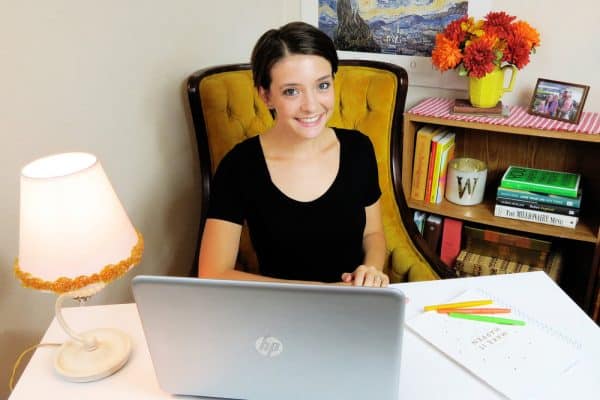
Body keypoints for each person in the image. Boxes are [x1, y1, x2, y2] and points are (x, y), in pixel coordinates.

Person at [197, 21, 389, 287]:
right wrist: (325, 291)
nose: (311, 106)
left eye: (322, 85)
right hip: (278, 309)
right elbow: (213, 273)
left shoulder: (359, 148)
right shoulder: (239, 166)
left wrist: (371, 270)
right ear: (265, 95)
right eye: (291, 91)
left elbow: (373, 233)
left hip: (356, 301)